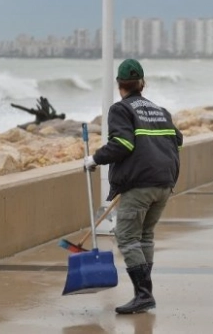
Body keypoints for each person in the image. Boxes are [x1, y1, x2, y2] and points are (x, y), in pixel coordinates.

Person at [84, 59, 183, 314]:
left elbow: (123, 145)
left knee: (126, 236)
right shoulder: (159, 110)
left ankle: (143, 294)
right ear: (142, 83)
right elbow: (178, 139)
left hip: (140, 185)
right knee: (145, 236)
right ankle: (144, 294)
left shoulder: (121, 109)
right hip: (164, 183)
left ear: (120, 85)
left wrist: (94, 159)